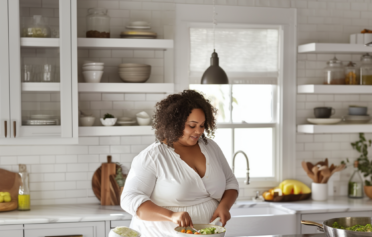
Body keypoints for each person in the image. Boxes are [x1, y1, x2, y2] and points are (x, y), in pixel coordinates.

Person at [121, 90, 239, 237]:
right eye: (192, 125)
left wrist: (224, 206)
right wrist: (171, 215)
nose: (199, 131)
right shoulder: (152, 156)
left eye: (202, 125)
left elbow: (230, 182)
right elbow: (129, 199)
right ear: (175, 123)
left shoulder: (211, 147)